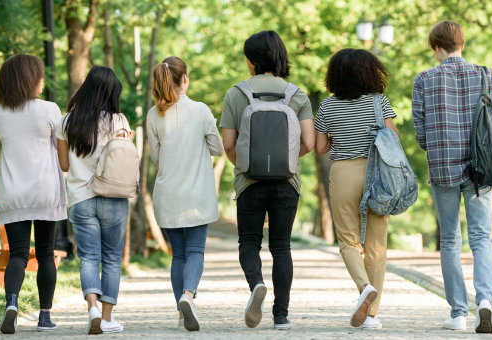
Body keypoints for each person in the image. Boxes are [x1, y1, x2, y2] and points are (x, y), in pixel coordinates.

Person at [412, 20, 492, 334]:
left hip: (444, 170)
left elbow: (420, 131)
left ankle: (457, 313)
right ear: (462, 44)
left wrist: (439, 148)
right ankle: (485, 303)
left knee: (450, 242)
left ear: (437, 48)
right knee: (481, 238)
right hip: (483, 169)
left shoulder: (424, 79)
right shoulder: (486, 74)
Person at [220, 30, 315, 330]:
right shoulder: (297, 94)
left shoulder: (236, 93)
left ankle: (256, 284)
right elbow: (309, 143)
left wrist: (247, 166)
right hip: (287, 182)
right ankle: (281, 316)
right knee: (281, 246)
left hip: (249, 182)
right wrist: (286, 162)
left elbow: (227, 144)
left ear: (252, 60)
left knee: (249, 241)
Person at [313, 49, 398, 330]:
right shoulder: (380, 102)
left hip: (344, 173)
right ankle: (371, 315)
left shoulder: (327, 106)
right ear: (370, 72)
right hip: (377, 174)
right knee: (376, 245)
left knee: (349, 241)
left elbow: (321, 148)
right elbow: (392, 138)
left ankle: (364, 288)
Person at [0, 54, 67, 334]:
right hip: (45, 192)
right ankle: (44, 318)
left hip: (12, 193)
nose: (43, 81)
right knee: (46, 253)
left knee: (18, 254)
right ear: (29, 78)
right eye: (40, 75)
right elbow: (62, 150)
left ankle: (12, 303)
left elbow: (2, 149)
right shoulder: (49, 109)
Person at [146, 56, 224, 332]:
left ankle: (181, 315)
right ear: (185, 80)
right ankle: (188, 295)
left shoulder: (154, 115)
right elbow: (218, 148)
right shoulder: (201, 110)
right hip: (197, 195)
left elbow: (156, 157)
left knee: (178, 255)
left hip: (167, 194)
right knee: (195, 251)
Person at [56, 66, 133, 334]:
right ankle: (108, 319)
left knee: (88, 257)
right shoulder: (119, 121)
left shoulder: (66, 122)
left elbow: (64, 165)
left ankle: (92, 310)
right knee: (111, 258)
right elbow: (125, 159)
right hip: (113, 196)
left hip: (80, 198)